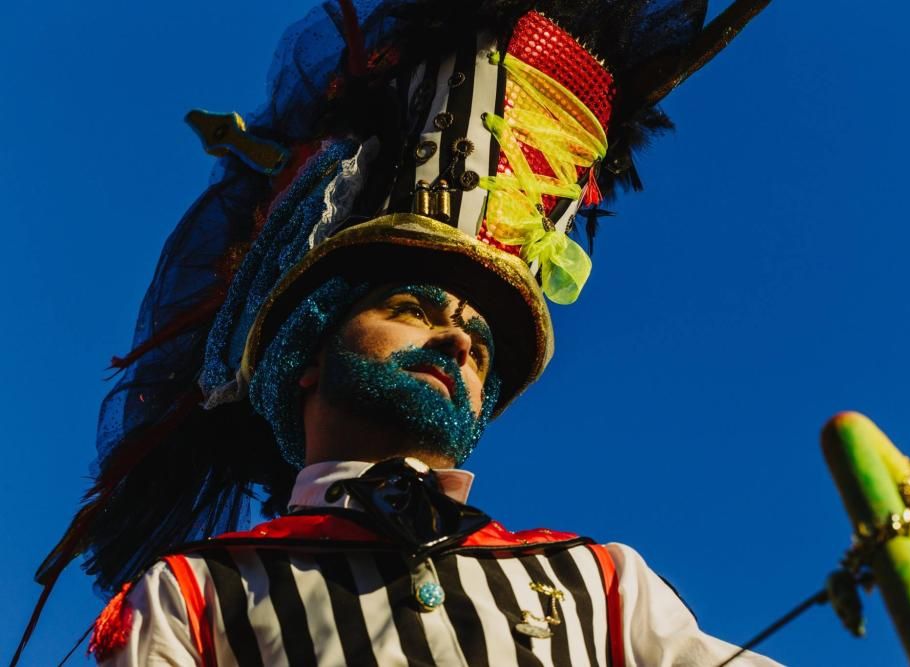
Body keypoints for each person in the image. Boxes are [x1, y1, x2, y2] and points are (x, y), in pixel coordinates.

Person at [13, 1, 783, 665]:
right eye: (413, 308)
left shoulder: (602, 585)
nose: (458, 343)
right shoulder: (197, 595)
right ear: (307, 356)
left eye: (480, 345)